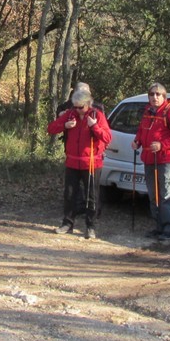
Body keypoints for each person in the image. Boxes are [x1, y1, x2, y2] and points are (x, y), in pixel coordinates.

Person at [47, 87, 112, 239]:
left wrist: (94, 126)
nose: (77, 110)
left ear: (88, 104)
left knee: (92, 195)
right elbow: (51, 129)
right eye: (75, 107)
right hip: (72, 161)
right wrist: (65, 126)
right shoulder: (70, 114)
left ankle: (90, 226)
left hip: (91, 162)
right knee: (70, 194)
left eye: (80, 107)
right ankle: (67, 223)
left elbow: (107, 137)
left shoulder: (98, 115)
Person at [132, 83, 170, 241]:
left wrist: (162, 145)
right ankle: (158, 226)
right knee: (153, 195)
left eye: (158, 94)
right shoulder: (148, 111)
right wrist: (137, 141)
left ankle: (169, 228)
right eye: (152, 94)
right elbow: (142, 130)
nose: (154, 97)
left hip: (164, 160)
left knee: (165, 194)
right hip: (149, 158)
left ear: (164, 96)